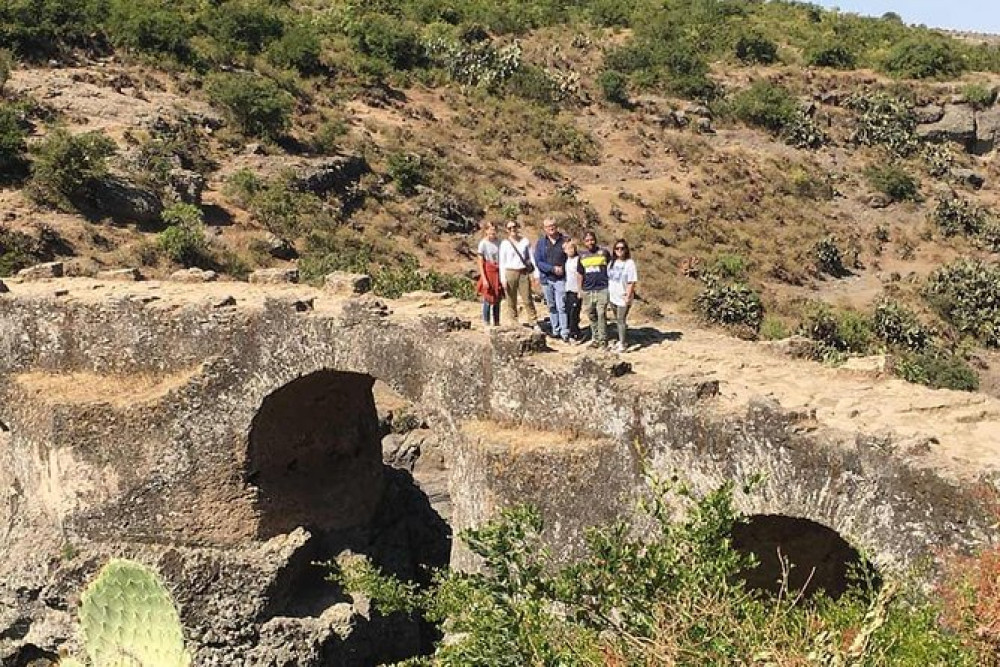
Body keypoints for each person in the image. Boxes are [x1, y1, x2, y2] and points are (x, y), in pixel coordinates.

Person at [498, 220, 540, 330]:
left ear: (518, 227)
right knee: (511, 299)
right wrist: (502, 278)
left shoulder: (525, 241)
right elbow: (502, 262)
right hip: (510, 272)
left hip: (523, 272)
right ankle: (513, 321)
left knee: (527, 298)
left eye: (514, 227)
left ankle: (533, 320)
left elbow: (531, 258)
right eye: (510, 228)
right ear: (507, 230)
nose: (513, 229)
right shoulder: (505, 243)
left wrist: (536, 274)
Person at [533, 217, 569, 342]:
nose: (551, 228)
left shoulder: (565, 240)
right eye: (548, 226)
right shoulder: (541, 243)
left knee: (562, 306)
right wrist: (552, 269)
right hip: (547, 279)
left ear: (557, 226)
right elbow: (538, 261)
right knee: (552, 305)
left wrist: (563, 269)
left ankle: (565, 332)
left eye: (553, 225)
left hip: (561, 279)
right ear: (545, 229)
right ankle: (556, 330)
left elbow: (572, 257)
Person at [576, 230, 612, 347]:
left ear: (595, 240)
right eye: (587, 240)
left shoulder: (604, 252)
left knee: (601, 313)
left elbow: (612, 268)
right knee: (591, 314)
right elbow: (580, 273)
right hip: (588, 289)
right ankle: (595, 338)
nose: (590, 242)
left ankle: (603, 340)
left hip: (602, 287)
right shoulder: (581, 256)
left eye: (591, 240)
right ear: (584, 242)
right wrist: (580, 289)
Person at [608, 238, 638, 353]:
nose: (619, 250)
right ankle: (621, 340)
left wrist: (628, 295)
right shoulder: (612, 262)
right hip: (613, 295)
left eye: (622, 248)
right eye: (617, 248)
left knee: (621, 319)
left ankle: (622, 343)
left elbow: (632, 281)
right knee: (617, 319)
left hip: (623, 296)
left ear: (626, 250)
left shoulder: (629, 263)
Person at [475, 221, 503, 331]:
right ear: (486, 231)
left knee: (498, 297)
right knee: (488, 297)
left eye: (494, 229)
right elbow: (480, 262)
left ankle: (497, 321)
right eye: (490, 229)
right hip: (488, 270)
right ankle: (486, 322)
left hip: (498, 270)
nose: (492, 231)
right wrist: (484, 278)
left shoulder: (500, 242)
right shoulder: (483, 244)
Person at [563, 238, 583, 343]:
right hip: (568, 289)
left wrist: (580, 290)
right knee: (568, 311)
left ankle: (573, 334)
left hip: (576, 290)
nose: (570, 250)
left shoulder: (578, 260)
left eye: (572, 248)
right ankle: (574, 331)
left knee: (574, 312)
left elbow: (581, 274)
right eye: (568, 248)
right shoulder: (566, 261)